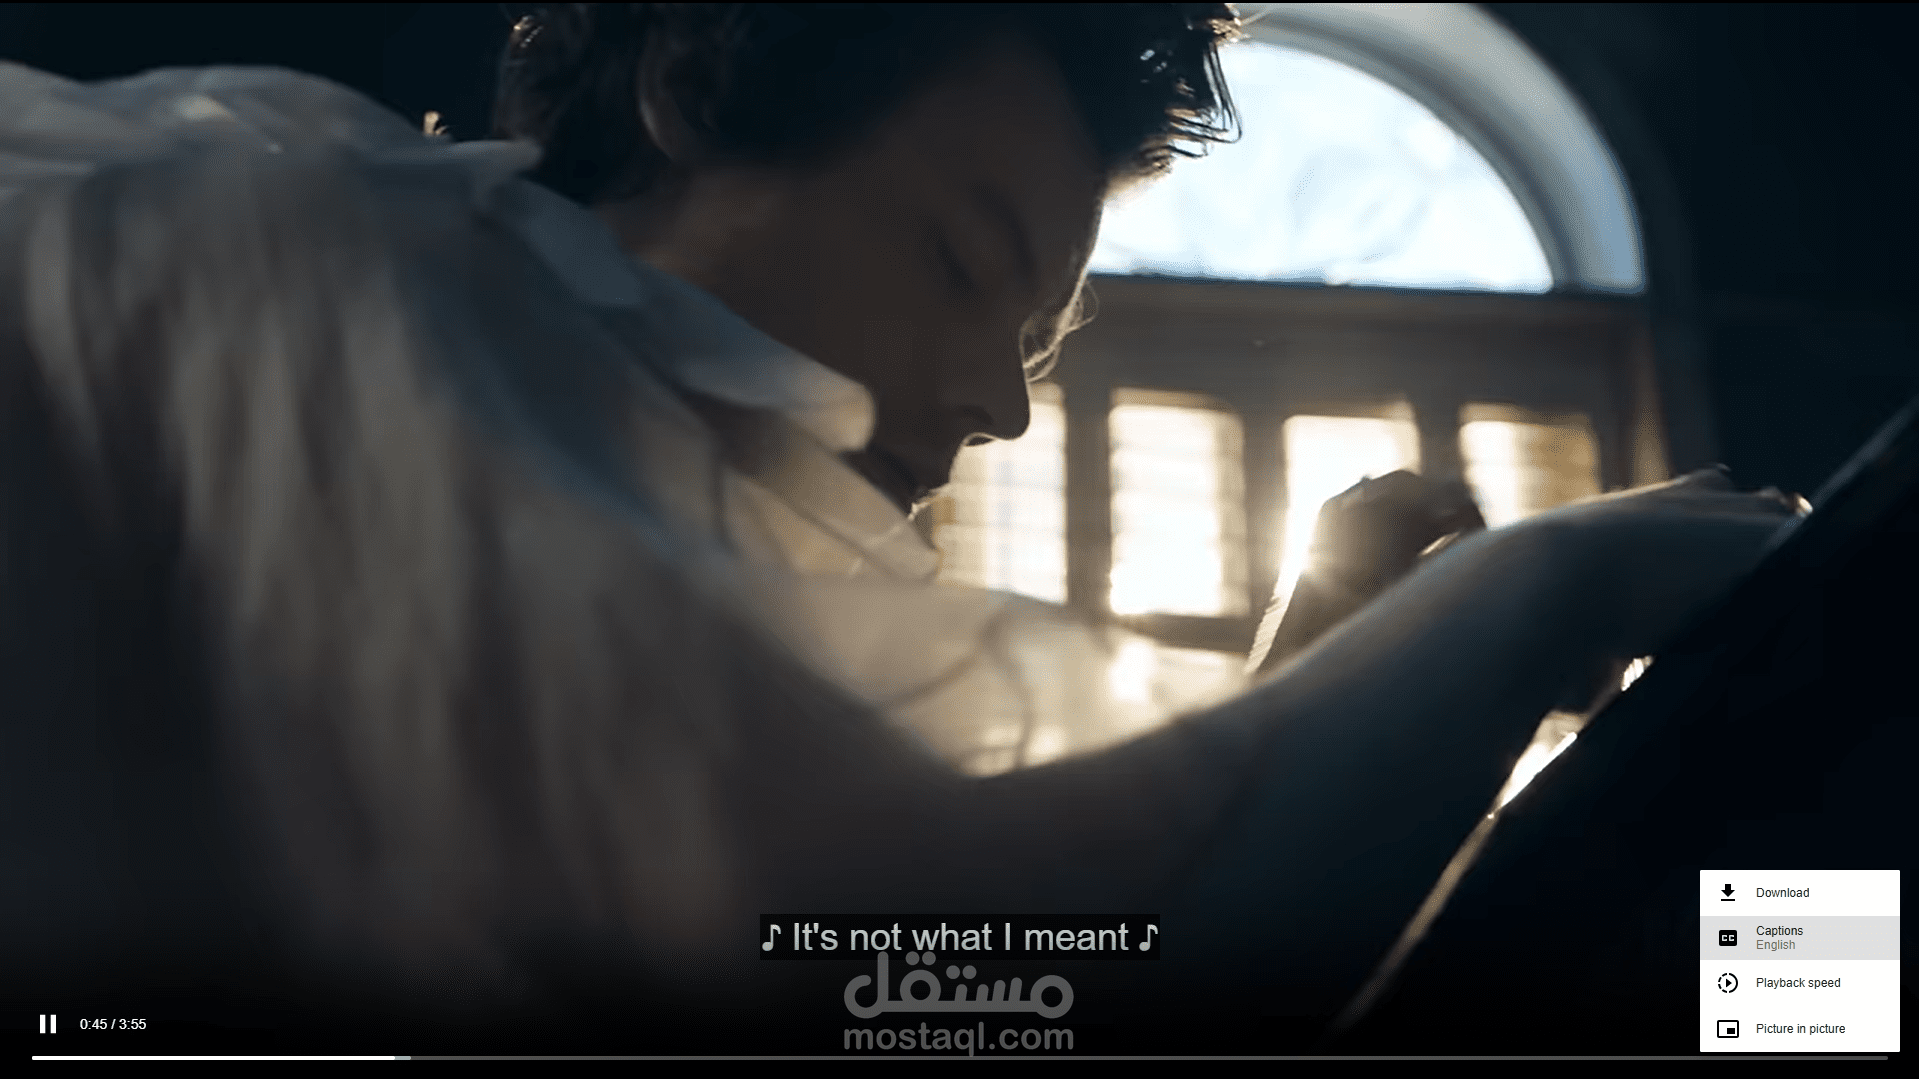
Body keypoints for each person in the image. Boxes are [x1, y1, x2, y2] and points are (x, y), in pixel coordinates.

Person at [0, 2, 1800, 1045]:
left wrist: (1318, 670)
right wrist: (1532, 584)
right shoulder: (326, 278)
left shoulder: (629, 507)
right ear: (691, 86)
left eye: (1038, 344)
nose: (1002, 406)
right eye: (955, 256)